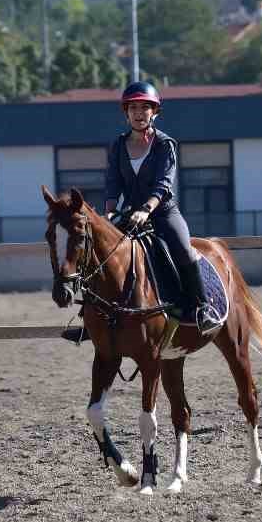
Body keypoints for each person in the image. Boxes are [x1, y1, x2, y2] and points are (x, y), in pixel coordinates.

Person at [62, 80, 222, 342]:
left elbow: (163, 183)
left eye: (145, 108)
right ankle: (90, 321)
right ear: (126, 112)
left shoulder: (165, 144)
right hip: (129, 214)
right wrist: (110, 212)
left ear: (154, 112)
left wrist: (147, 209)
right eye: (133, 108)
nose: (139, 113)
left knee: (182, 250)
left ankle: (203, 308)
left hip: (163, 213)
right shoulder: (118, 145)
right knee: (101, 252)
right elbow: (112, 182)